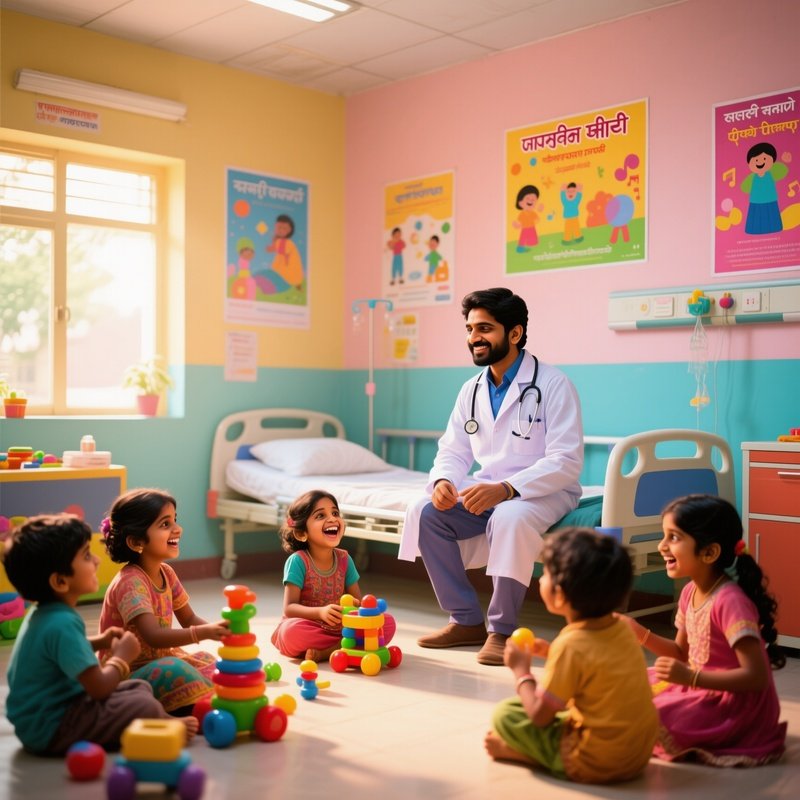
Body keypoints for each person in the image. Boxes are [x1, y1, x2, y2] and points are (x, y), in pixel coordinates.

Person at [399, 287, 583, 665]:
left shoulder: (552, 383)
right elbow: (452, 449)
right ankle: (465, 620)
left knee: (510, 517)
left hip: (542, 489)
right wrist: (444, 482)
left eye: (485, 328)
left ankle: (501, 630)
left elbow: (566, 460)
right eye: (469, 329)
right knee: (427, 513)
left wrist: (508, 489)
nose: (474, 338)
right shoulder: (471, 390)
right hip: (487, 487)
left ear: (514, 334)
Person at [2, 514, 197, 755]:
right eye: (85, 555)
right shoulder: (62, 622)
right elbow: (99, 689)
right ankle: (167, 724)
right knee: (141, 703)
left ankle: (161, 716)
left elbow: (63, 650)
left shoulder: (45, 614)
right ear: (61, 581)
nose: (95, 561)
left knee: (138, 688)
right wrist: (121, 657)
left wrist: (100, 642)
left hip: (38, 721)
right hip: (54, 727)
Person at [621, 494, 787, 766]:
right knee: (628, 686)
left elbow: (756, 677)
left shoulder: (730, 601)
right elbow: (680, 652)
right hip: (697, 684)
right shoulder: (689, 592)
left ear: (709, 552)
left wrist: (691, 679)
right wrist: (641, 634)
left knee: (647, 714)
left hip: (732, 704)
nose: (662, 546)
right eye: (664, 536)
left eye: (673, 537)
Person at [485, 527, 657, 783]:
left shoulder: (571, 645)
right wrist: (551, 652)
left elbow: (540, 717)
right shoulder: (621, 626)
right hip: (638, 753)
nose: (541, 579)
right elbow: (598, 662)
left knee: (507, 713)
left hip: (595, 760)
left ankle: (526, 755)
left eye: (544, 573)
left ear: (560, 595)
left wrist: (522, 671)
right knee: (561, 709)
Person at [99, 488, 229, 714]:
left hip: (160, 660)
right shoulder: (130, 582)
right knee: (176, 669)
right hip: (126, 672)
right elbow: (153, 636)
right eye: (165, 524)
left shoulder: (166, 573)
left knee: (209, 661)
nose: (177, 529)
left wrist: (219, 630)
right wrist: (205, 632)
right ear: (136, 541)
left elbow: (188, 618)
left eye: (174, 520)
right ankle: (197, 705)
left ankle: (199, 700)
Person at [271, 489, 396, 662]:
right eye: (320, 516)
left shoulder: (345, 559)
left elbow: (358, 605)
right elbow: (290, 608)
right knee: (290, 632)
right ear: (301, 533)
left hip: (343, 629)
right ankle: (344, 648)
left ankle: (327, 652)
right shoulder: (298, 561)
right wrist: (321, 612)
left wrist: (359, 607)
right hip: (310, 626)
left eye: (335, 513)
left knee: (386, 622)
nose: (332, 518)